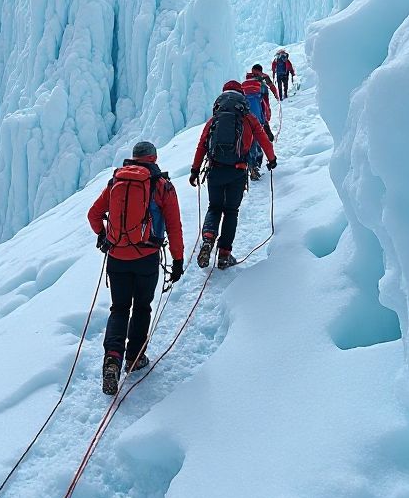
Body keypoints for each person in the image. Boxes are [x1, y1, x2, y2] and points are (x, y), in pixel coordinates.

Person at [88, 140, 185, 396]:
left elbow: (93, 215)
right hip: (147, 257)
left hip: (117, 257)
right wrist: (177, 260)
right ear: (153, 159)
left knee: (119, 308)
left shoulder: (115, 182)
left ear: (133, 158)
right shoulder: (162, 186)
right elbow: (174, 226)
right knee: (142, 307)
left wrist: (102, 235)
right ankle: (135, 358)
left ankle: (112, 358)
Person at [189, 81, 276, 270]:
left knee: (214, 208)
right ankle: (224, 255)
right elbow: (262, 138)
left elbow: (202, 144)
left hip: (215, 170)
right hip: (237, 171)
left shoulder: (215, 119)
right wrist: (271, 159)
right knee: (231, 212)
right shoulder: (247, 117)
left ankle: (208, 239)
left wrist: (195, 170)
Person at [241, 68, 276, 181]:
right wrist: (266, 121)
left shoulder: (245, 84)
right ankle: (256, 166)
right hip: (258, 118)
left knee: (249, 142)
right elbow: (264, 103)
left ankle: (251, 166)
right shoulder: (262, 83)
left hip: (245, 118)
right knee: (258, 141)